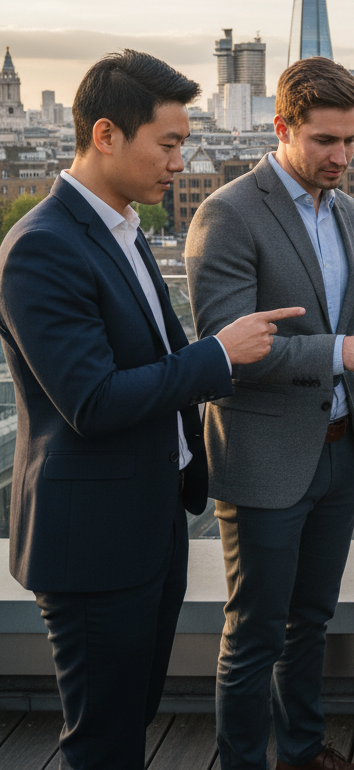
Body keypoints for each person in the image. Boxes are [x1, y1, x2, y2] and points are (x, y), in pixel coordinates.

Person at [0, 51, 300, 770]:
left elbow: (150, 361)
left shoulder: (122, 228)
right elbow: (94, 402)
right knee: (102, 741)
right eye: (168, 144)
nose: (179, 160)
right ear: (106, 134)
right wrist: (219, 356)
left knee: (131, 719)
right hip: (92, 542)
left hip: (146, 520)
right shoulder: (41, 249)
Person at [185, 58, 354, 770]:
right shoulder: (226, 213)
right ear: (280, 128)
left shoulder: (343, 209)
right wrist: (343, 352)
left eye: (351, 140)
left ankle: (303, 753)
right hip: (265, 461)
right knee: (254, 635)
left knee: (311, 620)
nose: (342, 157)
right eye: (324, 141)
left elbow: (345, 322)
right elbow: (231, 353)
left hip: (341, 452)